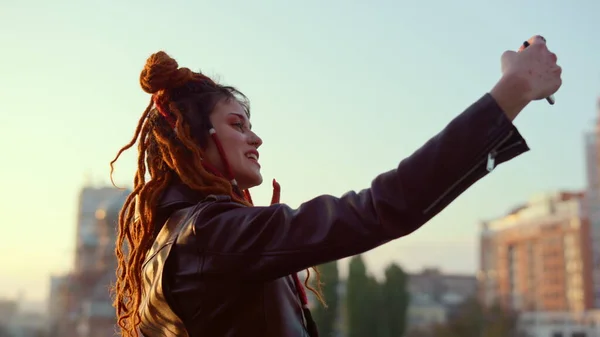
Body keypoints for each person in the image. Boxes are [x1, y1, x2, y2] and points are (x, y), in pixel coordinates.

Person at [110, 35, 561, 337]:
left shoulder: (180, 239)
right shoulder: (210, 235)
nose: (255, 137)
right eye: (237, 124)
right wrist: (512, 92)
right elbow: (378, 209)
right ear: (194, 136)